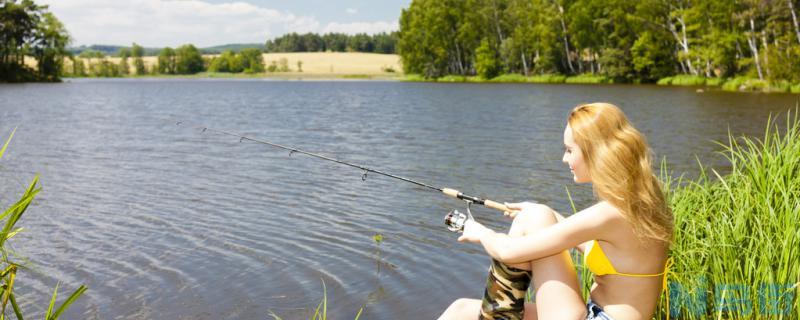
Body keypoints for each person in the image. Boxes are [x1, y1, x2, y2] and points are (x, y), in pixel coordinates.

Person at [438, 103, 674, 320]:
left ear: (595, 152)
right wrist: (546, 212)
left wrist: (477, 230)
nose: (564, 158)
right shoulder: (641, 201)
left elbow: (508, 251)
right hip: (593, 314)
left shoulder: (610, 213)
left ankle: (500, 314)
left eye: (569, 150)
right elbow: (589, 243)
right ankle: (499, 312)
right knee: (461, 310)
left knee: (535, 216)